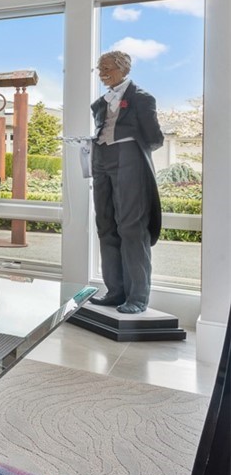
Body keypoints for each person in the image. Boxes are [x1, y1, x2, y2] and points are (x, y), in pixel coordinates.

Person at [90, 51, 164, 314]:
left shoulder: (142, 99)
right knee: (105, 225)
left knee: (132, 227)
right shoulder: (100, 103)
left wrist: (129, 148)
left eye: (107, 68)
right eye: (99, 69)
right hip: (101, 160)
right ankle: (115, 290)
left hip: (129, 159)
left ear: (123, 68)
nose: (102, 73)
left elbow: (155, 138)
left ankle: (137, 297)